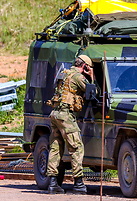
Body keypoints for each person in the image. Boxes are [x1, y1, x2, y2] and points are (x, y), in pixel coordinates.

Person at [46, 55, 99, 195]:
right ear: (85, 66)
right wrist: (92, 77)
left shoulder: (64, 73)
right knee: (76, 147)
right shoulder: (78, 77)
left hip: (55, 114)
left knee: (56, 148)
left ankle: (53, 184)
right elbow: (93, 93)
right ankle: (79, 184)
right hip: (66, 116)